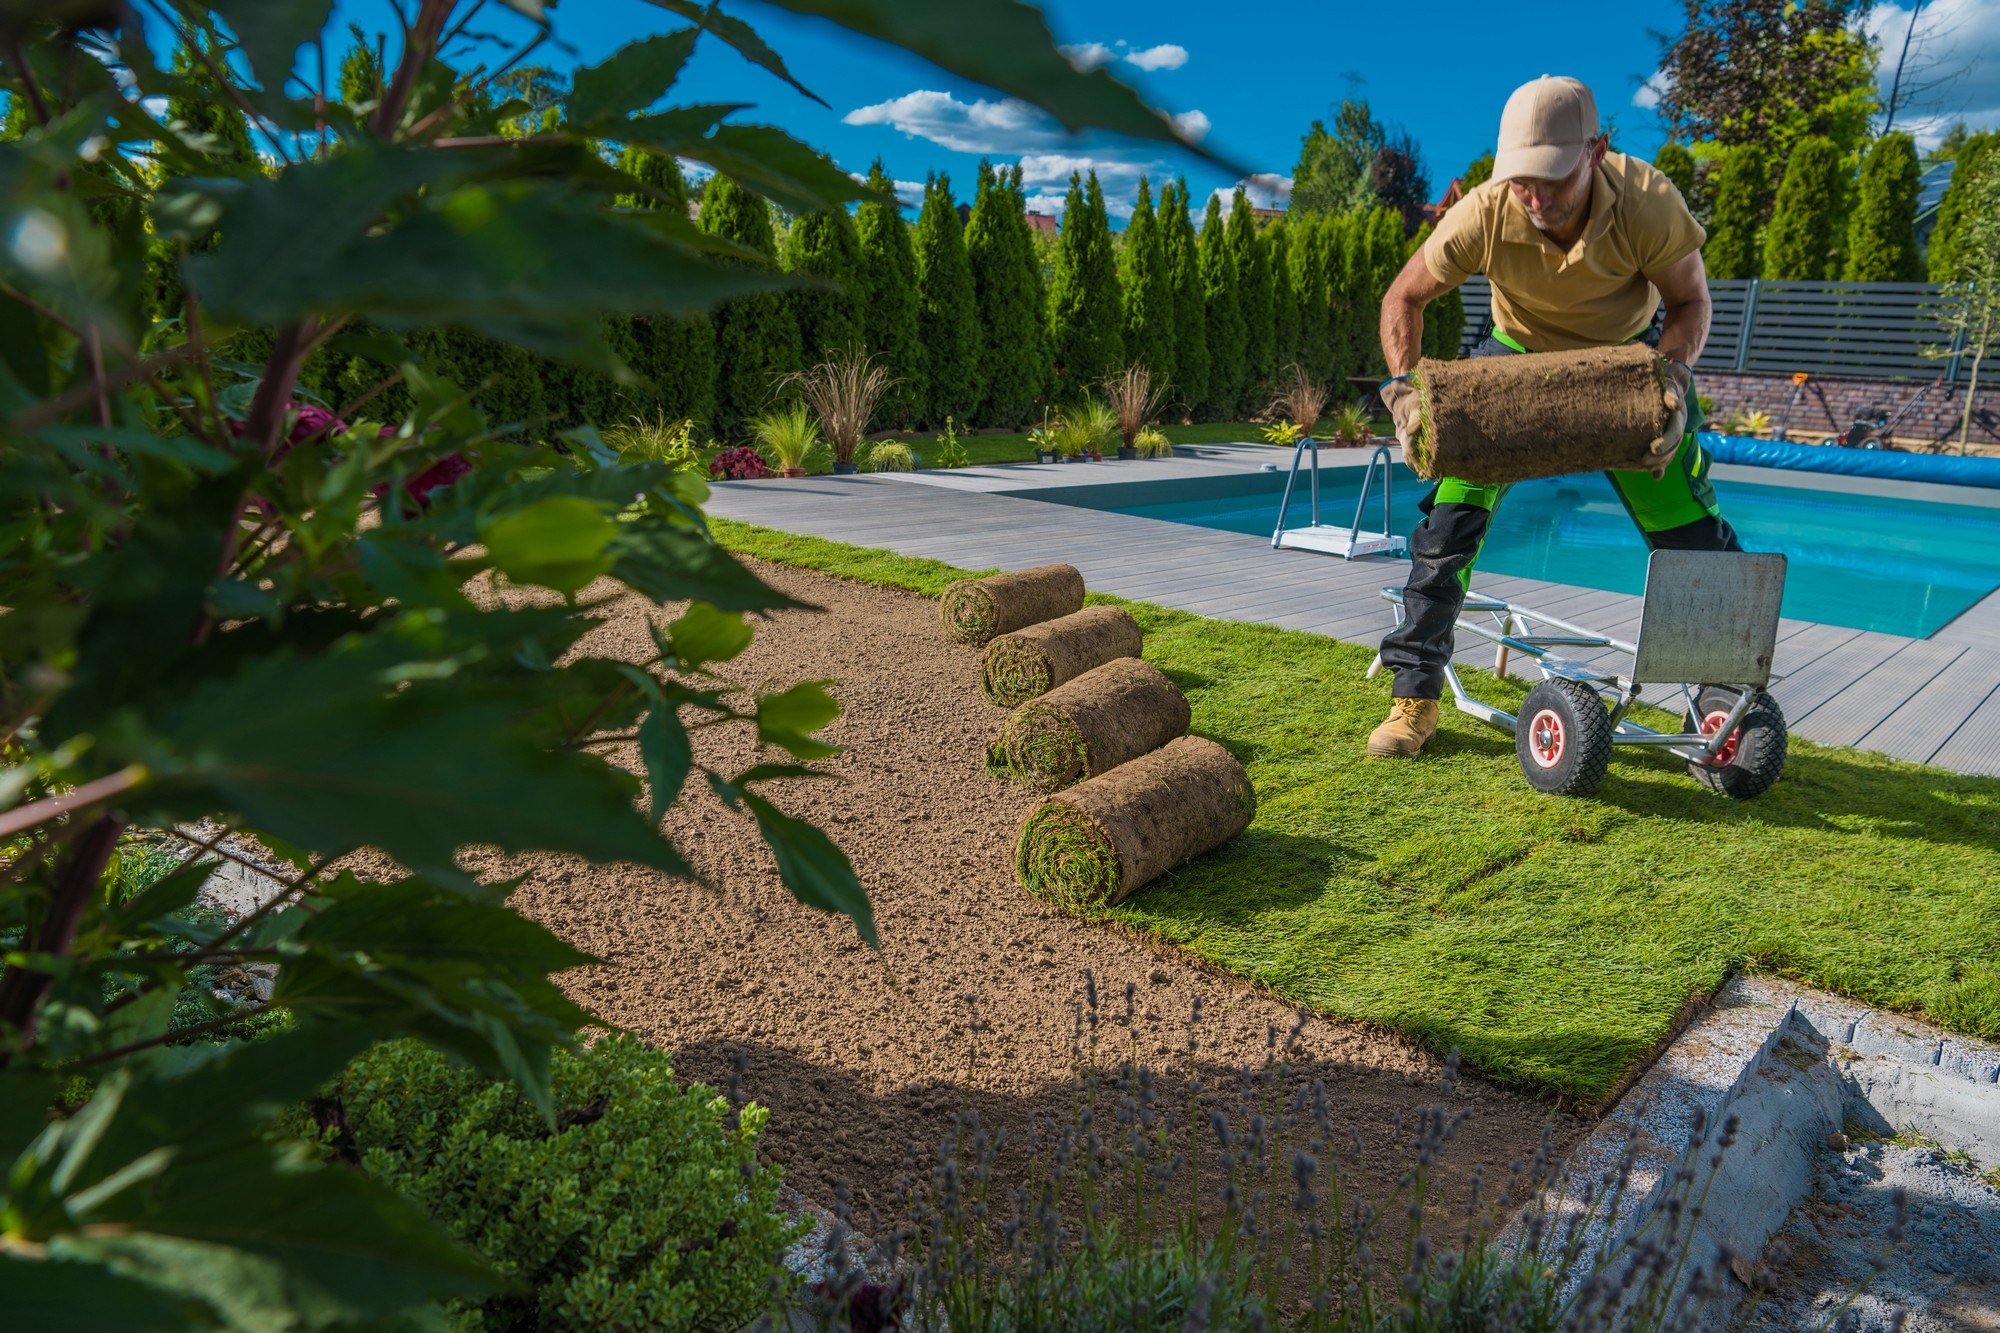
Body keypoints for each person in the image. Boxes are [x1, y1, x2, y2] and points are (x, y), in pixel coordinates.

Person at [1367, 75, 1737, 759]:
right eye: (1521, 182)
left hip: (1625, 364)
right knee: (1448, 522)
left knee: (1689, 526)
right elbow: (1404, 297)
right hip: (1516, 358)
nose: (1535, 199)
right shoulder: (1482, 211)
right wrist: (1404, 390)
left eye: (1551, 180)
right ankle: (1413, 698)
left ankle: (1722, 705)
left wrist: (1674, 381)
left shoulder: (1649, 201)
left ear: (1596, 151)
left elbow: (1690, 304)